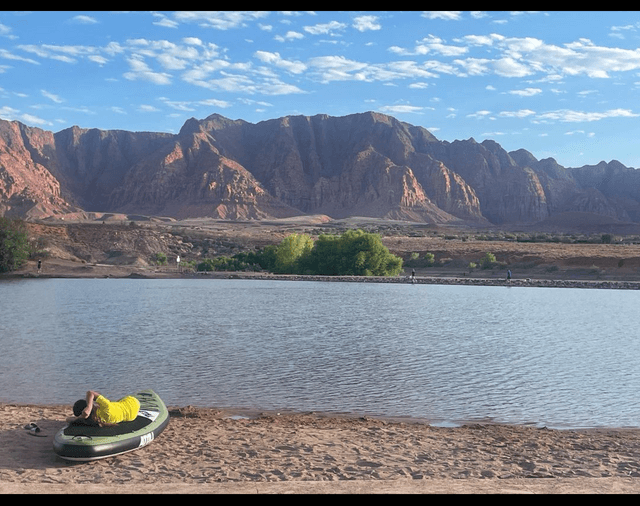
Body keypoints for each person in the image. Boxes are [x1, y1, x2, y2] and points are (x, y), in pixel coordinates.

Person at [66, 390, 140, 427]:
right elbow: (90, 392)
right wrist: (89, 406)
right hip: (133, 403)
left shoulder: (93, 422)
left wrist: (81, 417)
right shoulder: (106, 408)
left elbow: (68, 419)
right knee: (113, 402)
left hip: (131, 416)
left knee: (113, 403)